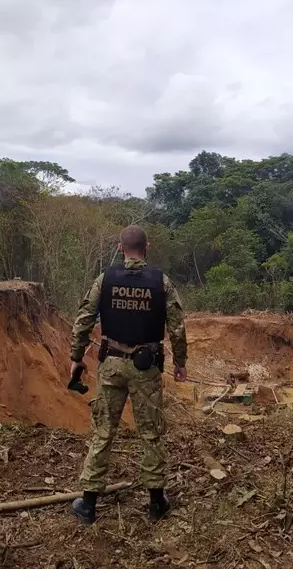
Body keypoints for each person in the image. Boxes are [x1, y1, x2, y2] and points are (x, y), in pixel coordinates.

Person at [69, 225, 188, 524]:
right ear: (147, 247)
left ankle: (89, 503)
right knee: (150, 432)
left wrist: (76, 357)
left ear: (121, 248)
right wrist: (180, 362)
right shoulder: (161, 281)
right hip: (145, 368)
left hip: (110, 364)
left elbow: (83, 319)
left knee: (104, 431)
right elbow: (177, 325)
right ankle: (156, 502)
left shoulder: (105, 279)